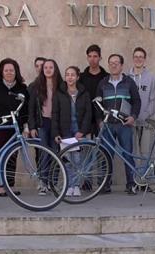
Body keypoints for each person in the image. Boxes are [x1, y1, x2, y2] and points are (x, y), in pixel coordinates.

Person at [0, 58, 29, 197]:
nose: (9, 73)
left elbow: (26, 109)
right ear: (1, 72)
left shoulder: (22, 88)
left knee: (12, 157)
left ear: (16, 72)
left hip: (15, 127)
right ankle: (0, 186)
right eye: (6, 70)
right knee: (0, 155)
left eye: (11, 70)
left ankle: (10, 185)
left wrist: (26, 127)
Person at [96, 54, 141, 194]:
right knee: (106, 155)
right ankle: (105, 184)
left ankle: (131, 184)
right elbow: (97, 104)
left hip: (124, 125)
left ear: (121, 65)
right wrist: (99, 122)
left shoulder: (129, 82)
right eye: (111, 63)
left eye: (116, 63)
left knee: (128, 155)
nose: (113, 65)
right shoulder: (103, 83)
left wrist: (133, 117)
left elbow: (137, 101)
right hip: (107, 126)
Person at [51, 66, 92, 197]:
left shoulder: (84, 93)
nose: (70, 77)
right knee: (68, 160)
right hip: (65, 132)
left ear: (77, 77)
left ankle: (76, 185)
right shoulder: (59, 93)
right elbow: (55, 114)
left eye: (72, 75)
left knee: (78, 159)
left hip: (78, 132)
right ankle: (69, 186)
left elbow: (88, 114)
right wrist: (56, 132)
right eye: (67, 74)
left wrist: (82, 131)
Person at [28, 59, 63, 196]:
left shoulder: (61, 85)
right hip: (42, 123)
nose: (48, 69)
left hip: (56, 123)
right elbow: (31, 108)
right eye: (45, 67)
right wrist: (32, 126)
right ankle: (43, 182)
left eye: (51, 67)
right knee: (43, 154)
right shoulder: (36, 86)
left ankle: (53, 182)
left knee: (55, 152)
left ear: (55, 69)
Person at [127, 47, 155, 192]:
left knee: (146, 152)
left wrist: (145, 115)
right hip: (131, 121)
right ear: (133, 58)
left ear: (144, 59)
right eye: (136, 56)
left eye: (141, 57)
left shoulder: (151, 77)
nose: (138, 59)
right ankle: (136, 181)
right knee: (134, 153)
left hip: (146, 120)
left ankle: (147, 182)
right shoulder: (127, 77)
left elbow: (153, 99)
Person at [79, 44, 108, 138]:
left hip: (102, 119)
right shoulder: (81, 78)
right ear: (87, 58)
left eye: (95, 56)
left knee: (102, 149)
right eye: (90, 56)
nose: (92, 59)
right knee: (85, 149)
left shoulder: (106, 77)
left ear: (100, 58)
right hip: (84, 119)